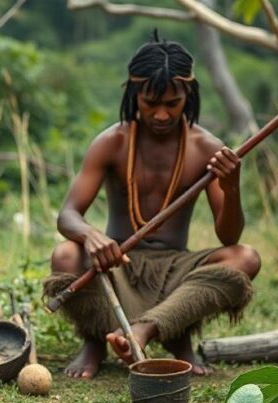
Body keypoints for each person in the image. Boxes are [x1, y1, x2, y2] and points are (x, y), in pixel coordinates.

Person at [43, 32, 260, 379]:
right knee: (65, 254)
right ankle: (96, 340)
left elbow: (229, 235)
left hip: (177, 272)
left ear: (188, 94)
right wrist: (90, 235)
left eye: (172, 103)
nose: (161, 114)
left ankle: (154, 332)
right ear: (134, 94)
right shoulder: (112, 142)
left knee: (244, 257)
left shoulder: (206, 147)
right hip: (119, 268)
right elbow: (67, 215)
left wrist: (230, 187)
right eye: (150, 103)